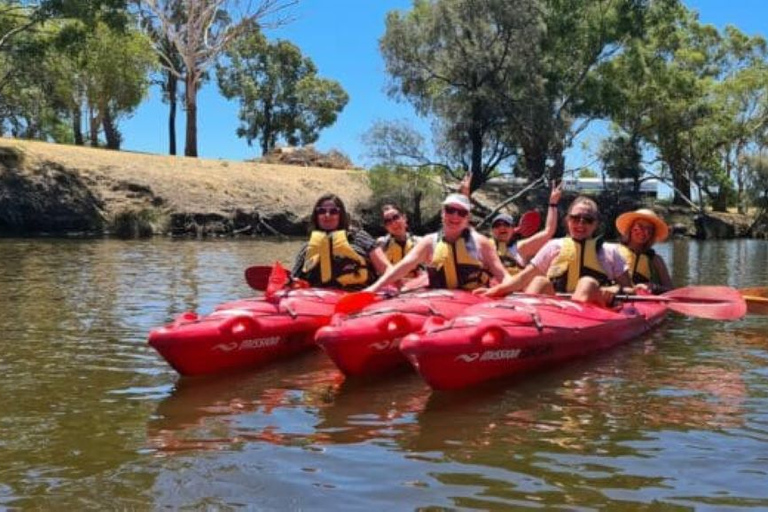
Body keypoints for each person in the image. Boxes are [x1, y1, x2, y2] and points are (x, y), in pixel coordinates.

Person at [479, 196, 633, 306]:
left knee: (587, 283)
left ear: (596, 224)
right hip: (558, 312)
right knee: (539, 281)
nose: (580, 223)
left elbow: (630, 290)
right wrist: (494, 291)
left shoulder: (610, 251)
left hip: (595, 312)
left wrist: (615, 288)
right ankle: (522, 323)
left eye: (587, 219)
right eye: (575, 218)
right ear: (567, 220)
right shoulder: (554, 246)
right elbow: (523, 278)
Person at [365, 193, 513, 293]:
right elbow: (401, 268)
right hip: (440, 302)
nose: (455, 216)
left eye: (461, 213)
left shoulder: (482, 243)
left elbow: (504, 276)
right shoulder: (428, 242)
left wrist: (494, 291)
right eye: (450, 210)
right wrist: (372, 289)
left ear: (467, 218)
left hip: (474, 303)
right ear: (443, 213)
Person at [291, 193, 390, 290]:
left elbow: (386, 269)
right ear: (316, 216)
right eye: (321, 211)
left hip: (359, 297)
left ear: (341, 215)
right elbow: (293, 281)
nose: (327, 215)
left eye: (333, 211)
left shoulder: (360, 238)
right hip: (320, 301)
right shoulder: (307, 249)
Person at [490, 181, 562, 287]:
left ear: (513, 229)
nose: (502, 227)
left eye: (506, 224)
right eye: (497, 225)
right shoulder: (484, 246)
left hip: (514, 294)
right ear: (492, 231)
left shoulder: (521, 247)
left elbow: (548, 231)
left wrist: (553, 203)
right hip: (488, 293)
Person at [615, 208, 673, 294]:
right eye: (639, 226)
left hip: (644, 304)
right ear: (630, 228)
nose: (644, 231)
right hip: (617, 300)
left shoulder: (656, 260)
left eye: (649, 229)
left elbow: (671, 290)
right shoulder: (613, 251)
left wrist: (654, 287)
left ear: (652, 234)